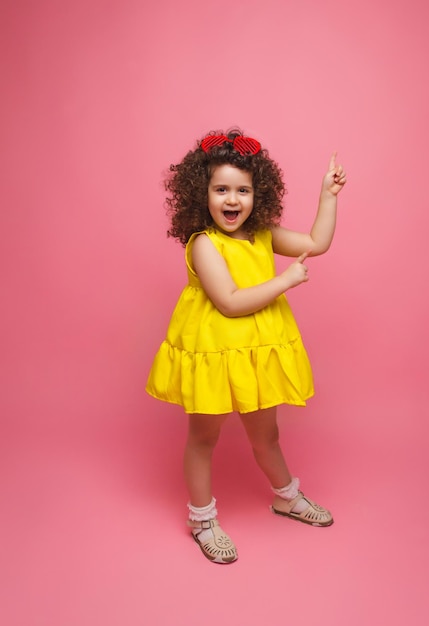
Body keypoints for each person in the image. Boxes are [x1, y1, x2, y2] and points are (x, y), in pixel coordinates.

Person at [146, 129, 346, 564]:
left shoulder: (262, 234)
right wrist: (285, 281)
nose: (232, 200)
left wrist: (327, 196)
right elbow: (231, 303)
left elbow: (316, 244)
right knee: (203, 437)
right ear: (202, 194)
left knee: (266, 434)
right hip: (215, 354)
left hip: (254, 353)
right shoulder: (203, 244)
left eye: (243, 190)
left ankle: (286, 497)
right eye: (221, 189)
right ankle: (202, 519)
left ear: (260, 194)